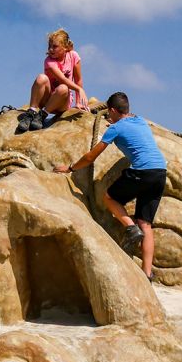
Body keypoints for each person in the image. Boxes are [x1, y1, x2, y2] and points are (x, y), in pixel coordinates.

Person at [52, 91, 166, 280]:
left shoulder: (115, 128)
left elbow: (91, 157)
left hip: (142, 172)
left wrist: (70, 168)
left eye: (109, 112)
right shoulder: (140, 121)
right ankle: (147, 274)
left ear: (112, 110)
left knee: (109, 198)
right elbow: (130, 130)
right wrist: (115, 123)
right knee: (146, 224)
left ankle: (130, 228)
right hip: (160, 172)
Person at [15, 29, 89, 134]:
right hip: (47, 99)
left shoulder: (73, 56)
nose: (50, 49)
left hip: (62, 101)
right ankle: (31, 112)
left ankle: (42, 115)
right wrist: (79, 89)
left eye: (55, 46)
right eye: (49, 46)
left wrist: (78, 102)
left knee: (63, 88)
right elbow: (62, 79)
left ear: (65, 47)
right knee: (41, 78)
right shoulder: (49, 61)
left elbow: (78, 79)